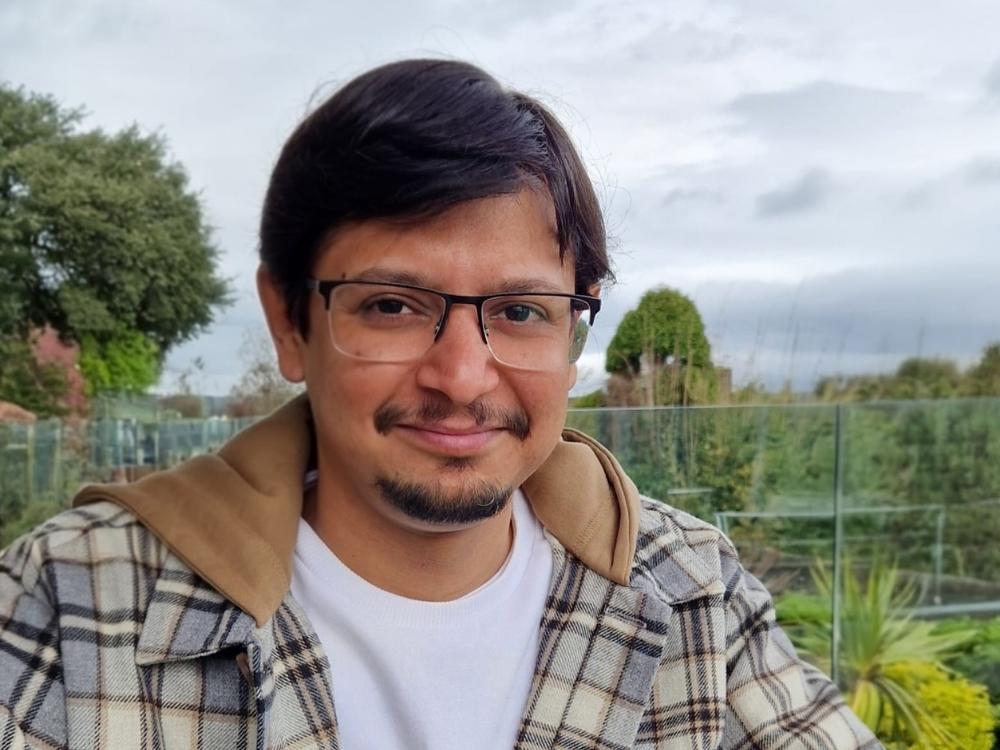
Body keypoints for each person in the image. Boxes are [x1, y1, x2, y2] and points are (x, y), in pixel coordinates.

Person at [0, 60, 881, 749]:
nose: (462, 377)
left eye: (523, 312)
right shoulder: (73, 601)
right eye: (392, 304)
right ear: (289, 322)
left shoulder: (693, 590)